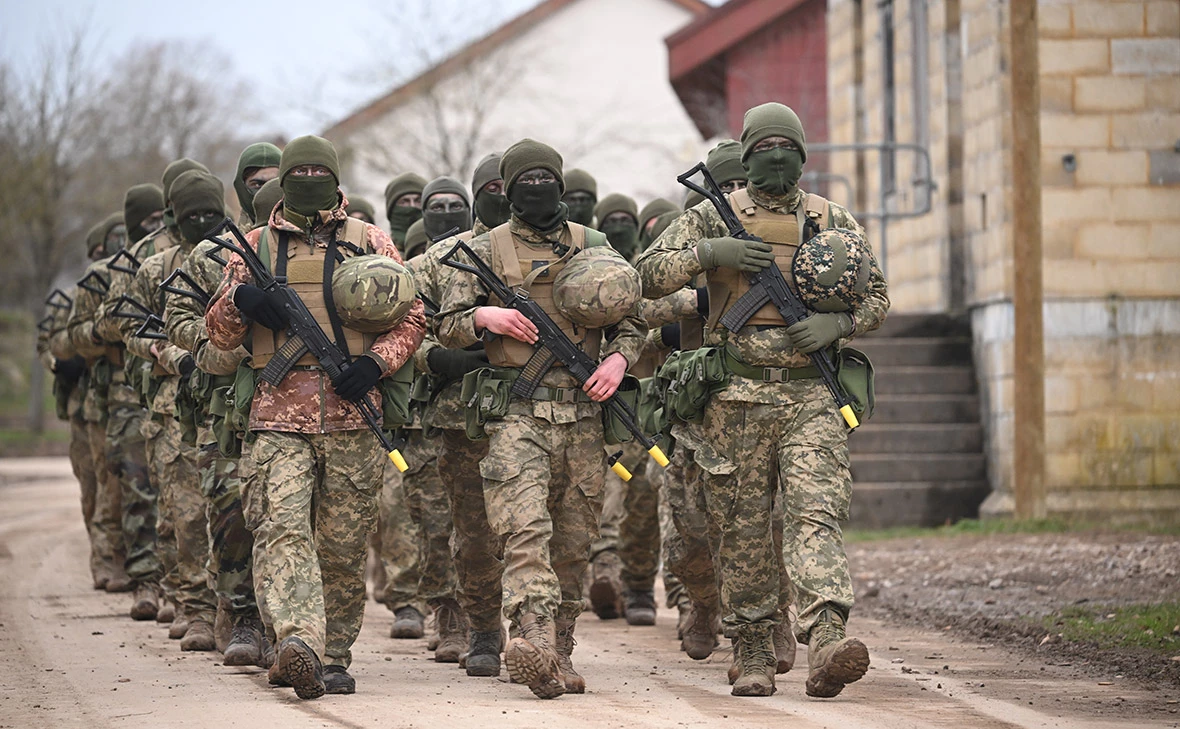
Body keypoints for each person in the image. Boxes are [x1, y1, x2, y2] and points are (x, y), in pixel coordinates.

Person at [635, 103, 889, 698]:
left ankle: (826, 636)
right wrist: (710, 255)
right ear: (747, 156)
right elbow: (644, 276)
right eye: (766, 148)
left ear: (803, 156)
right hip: (735, 400)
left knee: (815, 516)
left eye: (788, 147)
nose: (777, 158)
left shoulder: (832, 219)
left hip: (811, 398)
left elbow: (877, 296)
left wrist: (840, 324)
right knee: (742, 529)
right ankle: (751, 646)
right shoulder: (710, 215)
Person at [206, 135, 426, 699]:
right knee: (281, 529)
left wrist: (376, 364)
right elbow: (219, 334)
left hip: (354, 413)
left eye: (317, 171)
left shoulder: (370, 241)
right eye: (297, 172)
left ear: (335, 178)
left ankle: (332, 657)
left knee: (343, 547)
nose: (308, 180)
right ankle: (298, 640)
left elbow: (413, 316)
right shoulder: (255, 246)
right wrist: (241, 302)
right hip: (277, 413)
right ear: (282, 181)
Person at [437, 139, 647, 699]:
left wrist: (618, 360)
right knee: (524, 530)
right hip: (516, 413)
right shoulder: (482, 249)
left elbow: (633, 319)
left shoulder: (593, 245)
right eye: (524, 181)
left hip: (583, 414)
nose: (537, 189)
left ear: (560, 183)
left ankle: (562, 646)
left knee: (575, 540)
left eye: (545, 178)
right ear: (508, 190)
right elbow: (447, 325)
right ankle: (534, 639)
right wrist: (485, 317)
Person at [404, 152, 505, 673]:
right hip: (459, 416)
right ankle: (470, 622)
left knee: (535, 526)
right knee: (468, 529)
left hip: (534, 408)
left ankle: (538, 627)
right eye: (490, 188)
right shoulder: (437, 260)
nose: (502, 196)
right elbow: (399, 330)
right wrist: (437, 358)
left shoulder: (561, 251)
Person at [121, 170, 227, 653]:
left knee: (232, 510)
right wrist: (171, 355)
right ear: (173, 218)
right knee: (184, 513)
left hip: (229, 404)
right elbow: (131, 329)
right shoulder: (154, 269)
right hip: (173, 408)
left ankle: (235, 608)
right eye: (192, 215)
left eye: (211, 213)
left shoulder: (240, 258)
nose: (202, 222)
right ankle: (195, 607)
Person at [232, 142, 281, 226]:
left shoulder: (303, 232)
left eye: (274, 183)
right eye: (257, 185)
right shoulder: (230, 234)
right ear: (241, 188)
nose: (267, 192)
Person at [384, 172, 427, 250]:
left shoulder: (443, 250)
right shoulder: (379, 250)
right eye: (404, 202)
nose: (412, 206)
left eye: (418, 201)